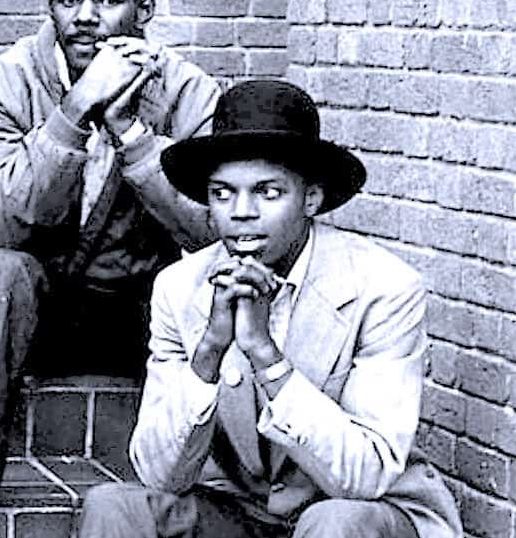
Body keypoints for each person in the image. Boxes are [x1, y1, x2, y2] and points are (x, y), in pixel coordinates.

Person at [0, 0, 222, 536]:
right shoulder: (7, 79)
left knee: (204, 284)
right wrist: (72, 112)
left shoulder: (189, 94)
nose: (84, 17)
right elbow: (0, 221)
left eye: (107, 1)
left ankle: (192, 491)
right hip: (37, 304)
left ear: (145, 10)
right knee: (1, 265)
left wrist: (134, 140)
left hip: (132, 306)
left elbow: (207, 231)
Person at [79, 79, 462, 538]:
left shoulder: (383, 287)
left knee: (332, 523)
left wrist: (266, 355)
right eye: (222, 193)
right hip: (240, 509)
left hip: (355, 513)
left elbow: (365, 476)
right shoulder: (180, 288)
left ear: (311, 199)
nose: (241, 212)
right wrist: (210, 350)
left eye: (268, 193)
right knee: (114, 507)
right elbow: (161, 475)